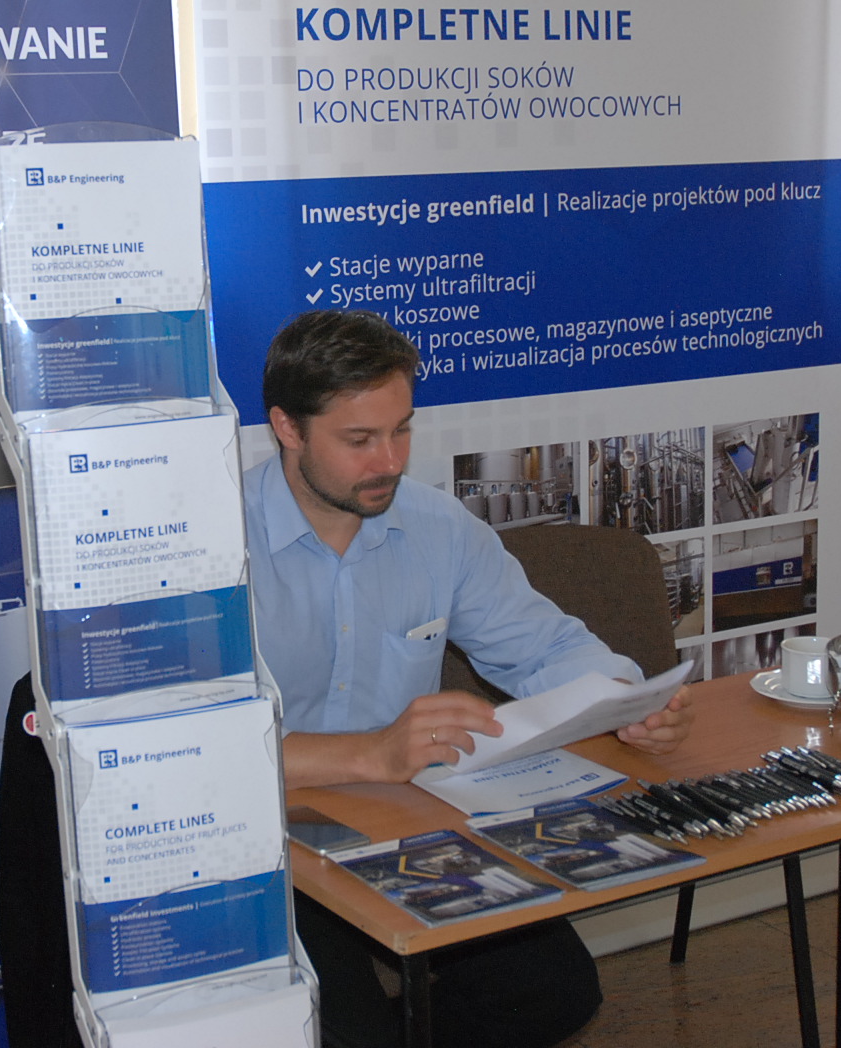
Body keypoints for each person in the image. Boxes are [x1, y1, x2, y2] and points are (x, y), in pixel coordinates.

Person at [248, 309, 693, 1048]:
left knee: (552, 992)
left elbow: (544, 647)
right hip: (260, 835)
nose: (390, 460)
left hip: (403, 820)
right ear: (287, 429)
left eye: (401, 430)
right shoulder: (216, 548)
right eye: (359, 440)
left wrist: (623, 700)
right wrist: (371, 753)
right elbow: (192, 751)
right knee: (338, 1030)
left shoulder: (437, 527)